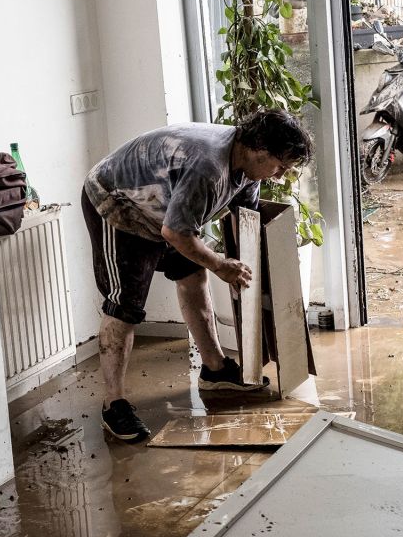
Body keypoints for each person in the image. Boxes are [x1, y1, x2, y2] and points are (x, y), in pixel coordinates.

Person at [81, 110, 314, 442]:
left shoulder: (248, 167)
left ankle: (214, 368)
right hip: (118, 204)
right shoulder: (209, 167)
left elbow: (243, 219)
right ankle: (113, 404)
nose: (280, 175)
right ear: (259, 151)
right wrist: (220, 264)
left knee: (193, 276)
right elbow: (176, 233)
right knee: (125, 305)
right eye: (280, 166)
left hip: (166, 206)